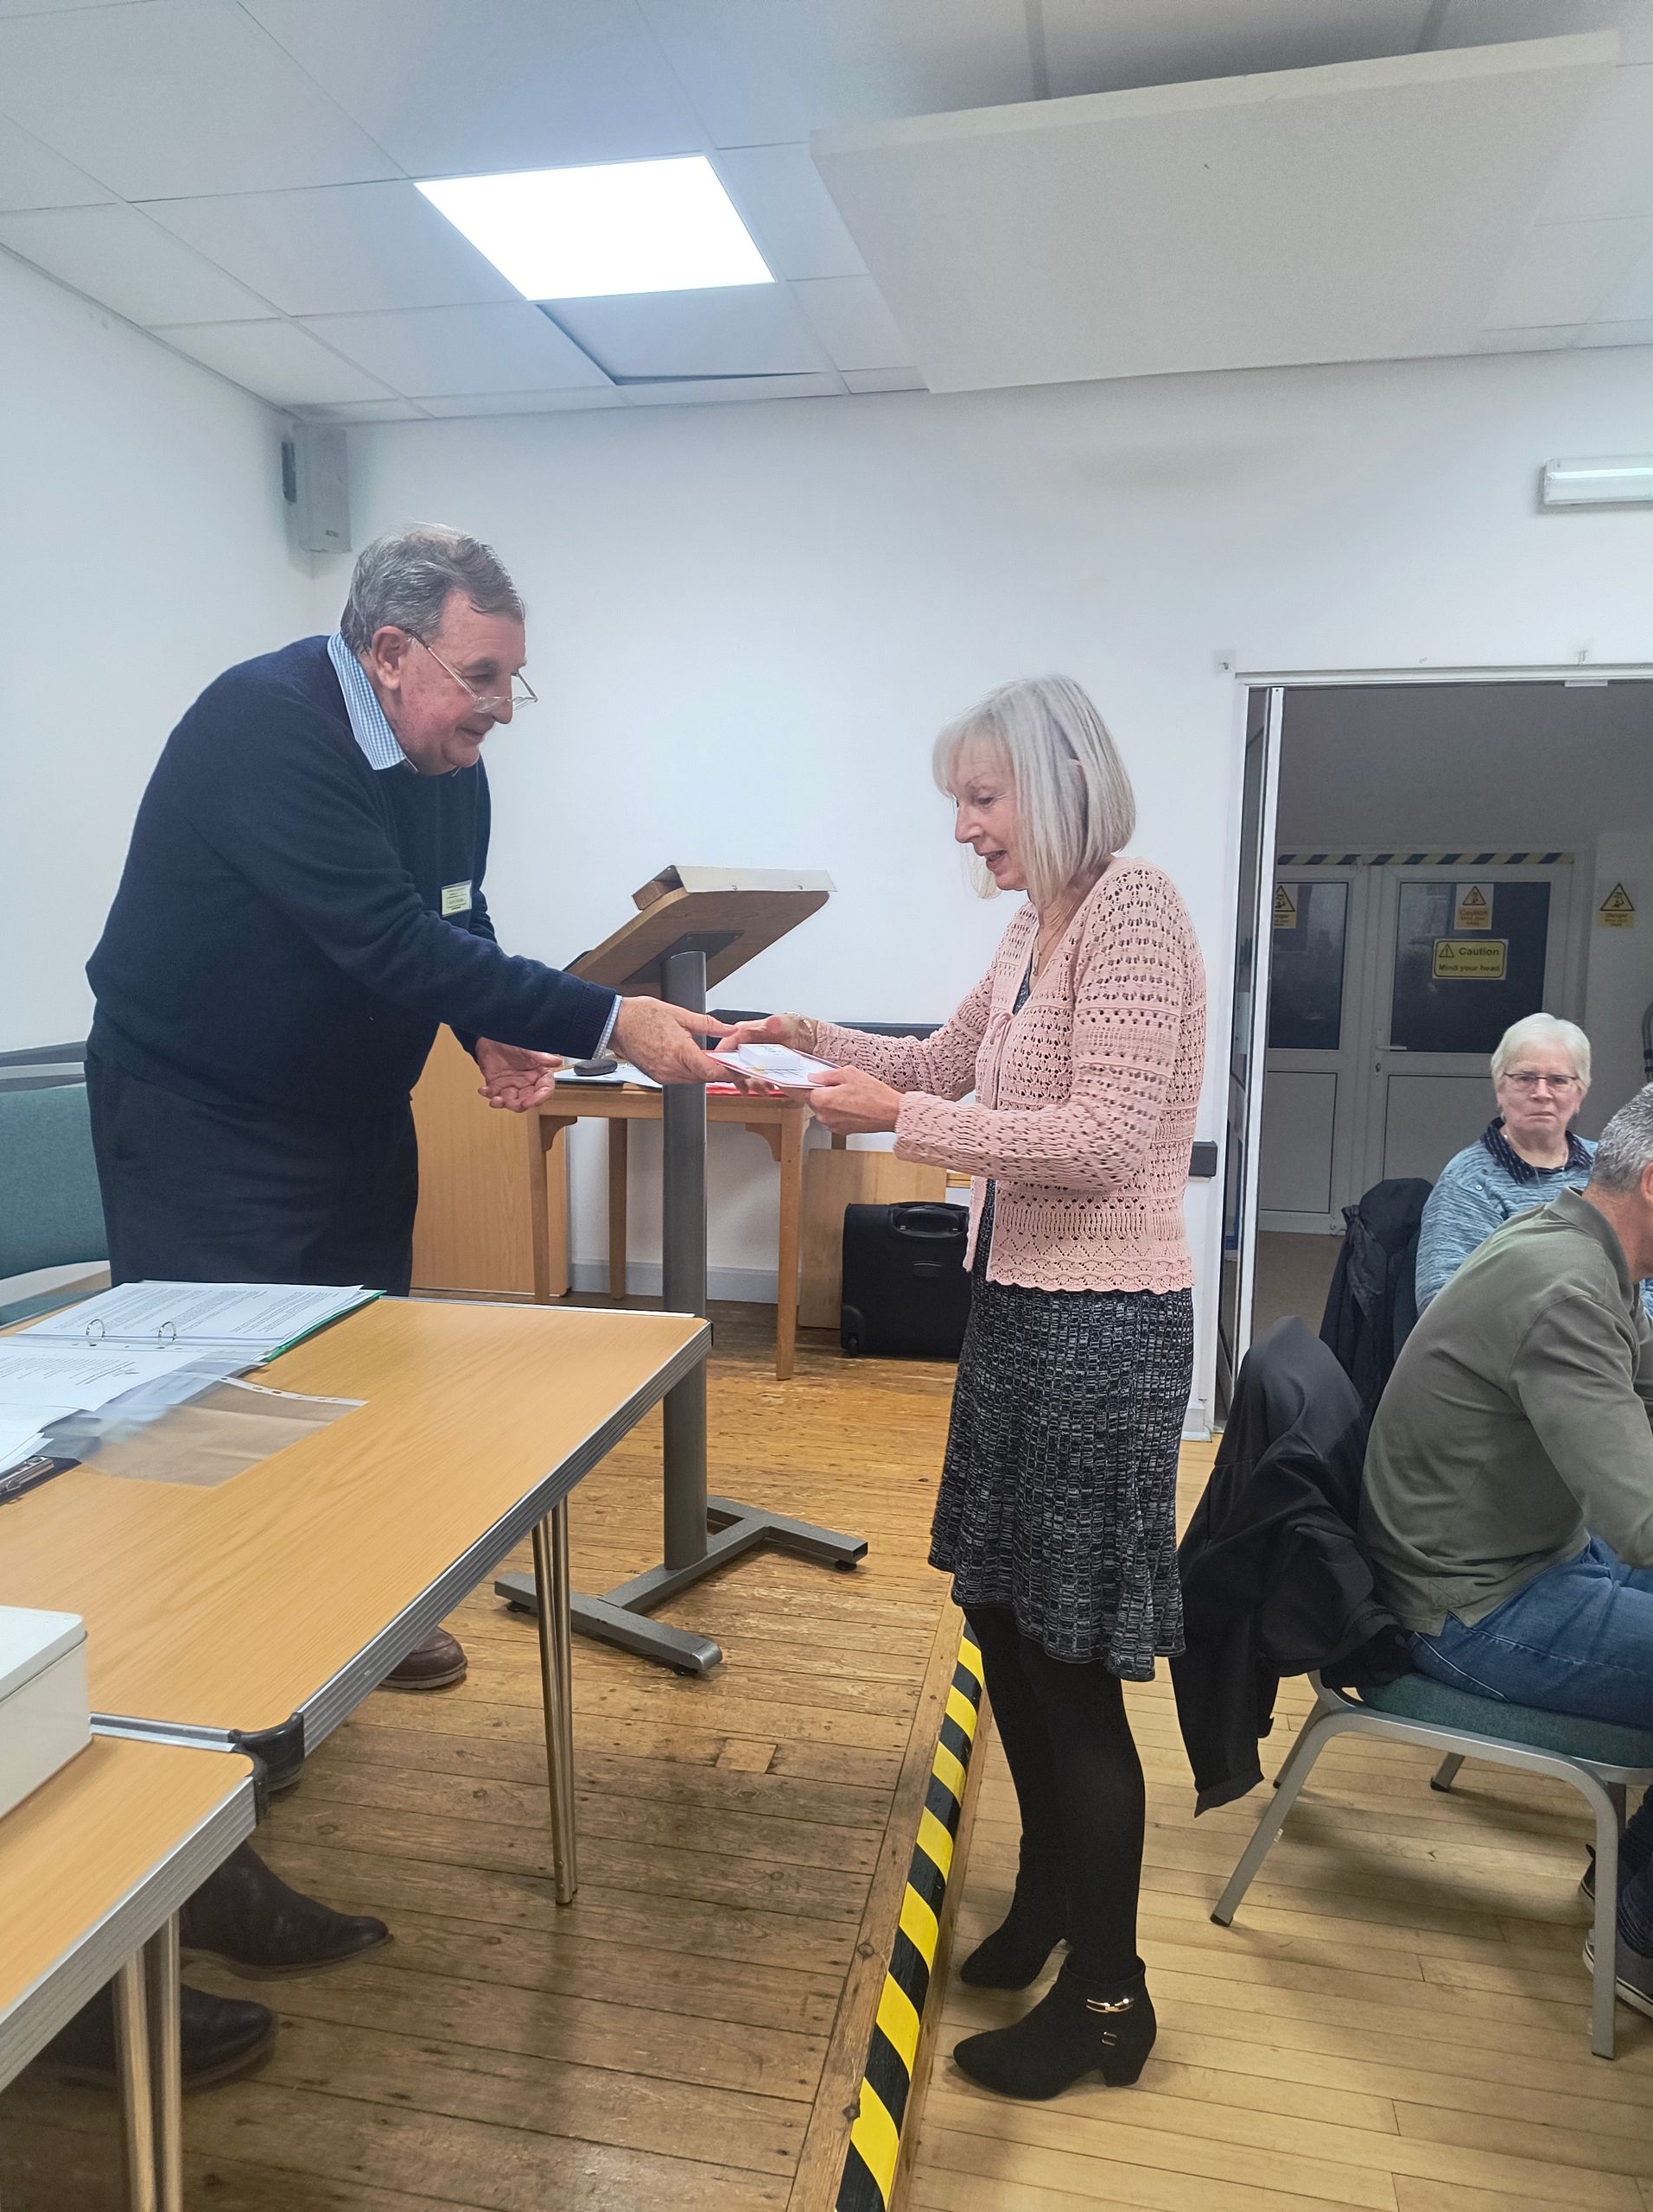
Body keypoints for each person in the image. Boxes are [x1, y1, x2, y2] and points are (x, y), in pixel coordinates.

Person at [70, 524, 741, 2083]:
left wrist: (489, 1035)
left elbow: (448, 924)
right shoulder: (261, 731)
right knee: (208, 1487)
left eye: (514, 677)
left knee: (327, 1446)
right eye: (483, 674)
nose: (504, 707)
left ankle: (273, 1740)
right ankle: (165, 1874)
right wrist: (602, 1018)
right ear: (389, 656)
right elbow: (376, 934)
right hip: (204, 1125)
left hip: (342, 1121)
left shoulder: (446, 764)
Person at [722, 675, 1206, 2098]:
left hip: (1100, 1326)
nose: (963, 829)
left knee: (1066, 1661)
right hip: (1022, 1313)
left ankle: (1111, 2001)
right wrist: (814, 1047)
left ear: (1056, 790)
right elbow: (940, 1066)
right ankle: (1051, 1900)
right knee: (1000, 1611)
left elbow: (1107, 1139)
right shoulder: (1036, 925)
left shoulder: (1133, 907)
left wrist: (904, 1122)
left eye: (980, 800)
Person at [1362, 1085, 1653, 2015]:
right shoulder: (1570, 1286)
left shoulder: (1566, 1233)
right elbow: (1642, 1522)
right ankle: (1641, 1939)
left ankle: (1630, 1892)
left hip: (1513, 1552)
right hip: (1471, 1606)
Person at [1416, 1013, 1653, 1320]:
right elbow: (1442, 1304)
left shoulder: (1610, 1163)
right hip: (1528, 1353)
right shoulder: (1468, 1181)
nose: (1541, 1093)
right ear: (1500, 1089)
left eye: (1558, 1080)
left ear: (1580, 1093)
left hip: (1625, 1342)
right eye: (1525, 1078)